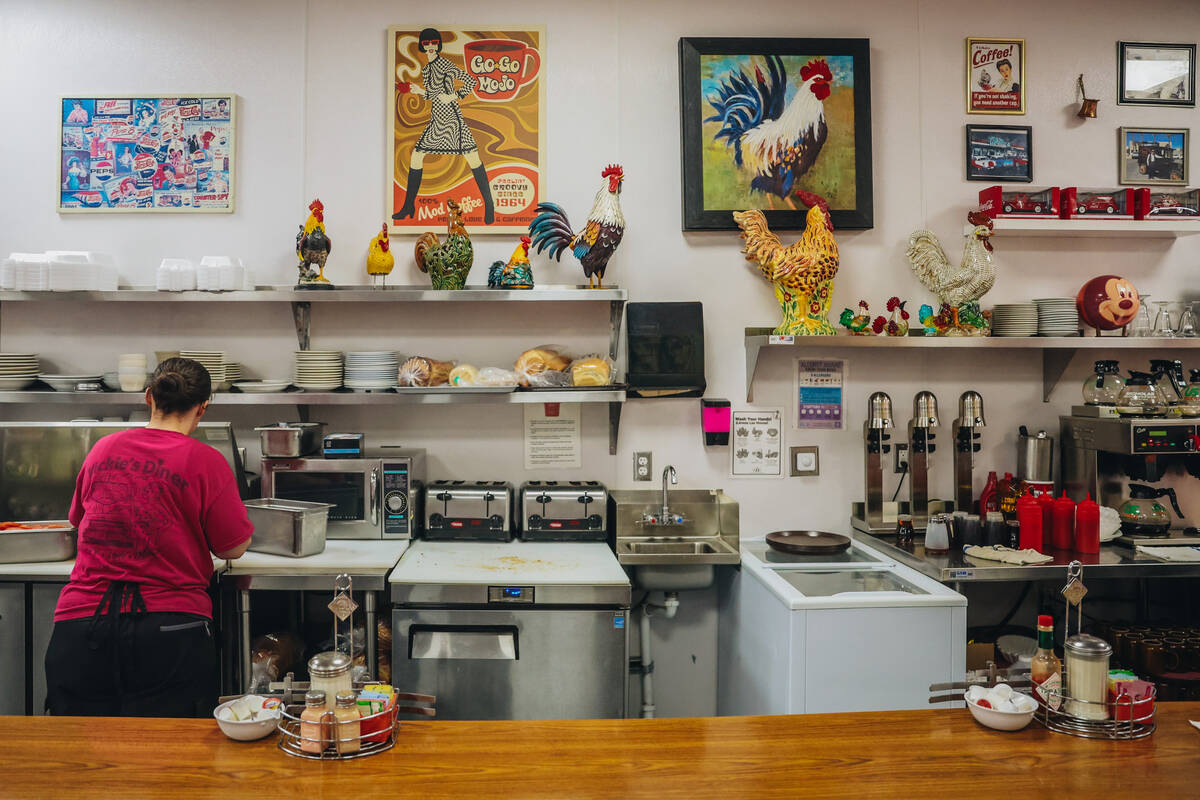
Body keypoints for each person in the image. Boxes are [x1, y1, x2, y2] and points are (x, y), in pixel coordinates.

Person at [44, 358, 252, 717]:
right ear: (202, 408)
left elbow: (77, 520)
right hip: (170, 627)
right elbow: (231, 546)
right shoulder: (206, 460)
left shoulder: (103, 449)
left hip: (82, 624)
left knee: (77, 758)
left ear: (148, 398)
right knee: (169, 758)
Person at [392, 27, 496, 224]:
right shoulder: (427, 69)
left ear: (438, 44)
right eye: (426, 43)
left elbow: (470, 81)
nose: (430, 47)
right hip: (437, 117)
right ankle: (408, 205)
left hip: (451, 117)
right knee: (417, 155)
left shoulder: (444, 64)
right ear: (422, 46)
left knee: (472, 157)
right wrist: (417, 90)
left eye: (433, 43)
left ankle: (489, 205)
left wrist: (454, 96)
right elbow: (432, 94)